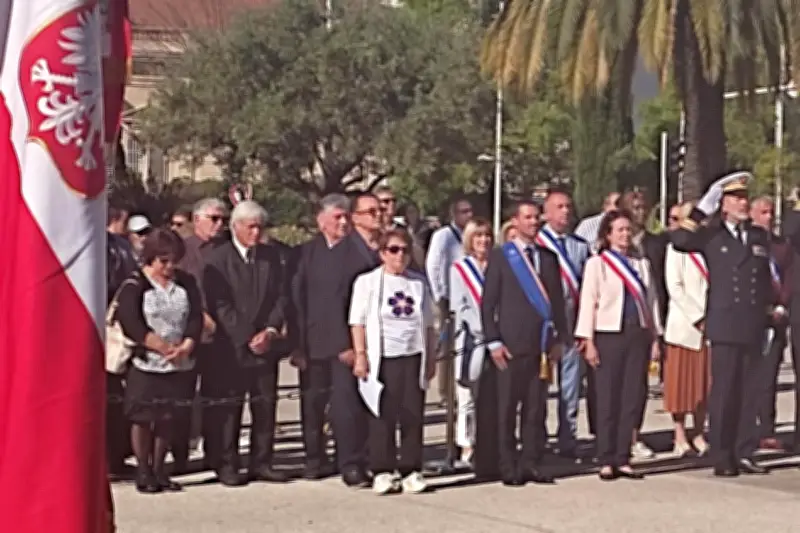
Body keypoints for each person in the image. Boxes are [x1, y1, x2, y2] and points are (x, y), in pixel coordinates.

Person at [672, 172, 773, 477]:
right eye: (735, 198)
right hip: (725, 324)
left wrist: (767, 316)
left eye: (744, 198)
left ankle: (744, 451)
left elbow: (764, 280)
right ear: (723, 204)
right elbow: (680, 240)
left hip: (752, 324)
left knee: (749, 392)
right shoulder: (712, 235)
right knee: (725, 392)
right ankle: (722, 454)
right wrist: (702, 209)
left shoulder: (757, 236)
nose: (743, 203)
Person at [292, 192, 381, 487]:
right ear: (321, 222)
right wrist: (297, 345)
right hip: (312, 342)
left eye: (346, 217)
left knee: (345, 407)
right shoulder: (305, 253)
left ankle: (350, 462)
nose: (343, 223)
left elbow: (356, 306)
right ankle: (314, 458)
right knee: (312, 405)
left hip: (345, 346)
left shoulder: (358, 254)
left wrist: (352, 346)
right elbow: (297, 300)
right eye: (337, 218)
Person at [479, 200, 568, 486]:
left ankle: (531, 462)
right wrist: (492, 341)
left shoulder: (548, 257)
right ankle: (508, 464)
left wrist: (559, 340)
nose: (533, 222)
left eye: (536, 217)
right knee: (506, 409)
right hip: (509, 345)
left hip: (540, 345)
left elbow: (557, 304)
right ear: (515, 222)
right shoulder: (502, 257)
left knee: (535, 409)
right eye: (527, 218)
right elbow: (488, 303)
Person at [203, 201, 288, 486]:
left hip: (266, 345)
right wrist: (245, 336)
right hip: (231, 348)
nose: (256, 232)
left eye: (260, 227)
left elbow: (280, 297)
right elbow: (220, 304)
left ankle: (262, 461)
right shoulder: (218, 259)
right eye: (250, 226)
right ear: (235, 227)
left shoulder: (271, 257)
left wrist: (270, 331)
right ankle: (227, 463)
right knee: (230, 409)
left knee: (264, 405)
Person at [574, 209, 663, 481]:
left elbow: (652, 302)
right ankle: (606, 456)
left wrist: (656, 337)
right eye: (619, 230)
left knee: (632, 397)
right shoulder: (597, 264)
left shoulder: (641, 265)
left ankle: (623, 456)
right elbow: (588, 302)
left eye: (628, 229)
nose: (625, 235)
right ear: (608, 235)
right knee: (606, 397)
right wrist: (587, 340)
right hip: (607, 334)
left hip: (637, 335)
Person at [114, 228, 203, 493]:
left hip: (179, 361)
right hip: (147, 361)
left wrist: (186, 345)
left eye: (174, 259)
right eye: (163, 260)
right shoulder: (135, 283)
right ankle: (143, 469)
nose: (169, 266)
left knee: (168, 416)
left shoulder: (185, 282)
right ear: (150, 258)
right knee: (143, 417)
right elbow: (130, 322)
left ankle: (159, 468)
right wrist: (161, 347)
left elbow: (196, 316)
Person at [350, 228, 437, 495]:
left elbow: (429, 324)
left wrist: (431, 357)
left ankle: (411, 468)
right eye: (393, 250)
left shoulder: (418, 283)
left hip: (412, 356)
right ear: (382, 254)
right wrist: (361, 355)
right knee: (382, 415)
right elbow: (358, 321)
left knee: (412, 414)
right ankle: (383, 470)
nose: (400, 256)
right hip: (383, 358)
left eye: (404, 250)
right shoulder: (367, 282)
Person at [173, 197, 228, 473]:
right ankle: (181, 456)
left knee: (216, 398)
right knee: (183, 397)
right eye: (213, 219)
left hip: (222, 336)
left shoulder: (228, 250)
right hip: (190, 334)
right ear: (197, 220)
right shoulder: (182, 250)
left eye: (223, 219)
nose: (219, 225)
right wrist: (199, 316)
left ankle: (216, 454)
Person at [536, 189, 590, 458]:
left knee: (571, 387)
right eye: (558, 207)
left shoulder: (580, 246)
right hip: (543, 326)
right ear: (546, 212)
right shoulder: (537, 244)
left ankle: (567, 438)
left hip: (572, 324)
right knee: (540, 386)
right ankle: (539, 437)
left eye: (568, 206)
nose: (565, 211)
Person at [619, 190, 669, 459]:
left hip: (645, 320)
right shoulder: (609, 246)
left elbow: (660, 286)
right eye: (634, 207)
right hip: (615, 324)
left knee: (638, 387)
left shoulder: (656, 244)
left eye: (643, 208)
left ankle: (635, 435)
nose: (640, 212)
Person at [663, 201, 710, 457]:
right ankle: (679, 434)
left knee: (704, 383)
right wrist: (698, 315)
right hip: (685, 324)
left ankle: (699, 432)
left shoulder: (706, 247)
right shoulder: (675, 249)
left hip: (710, 325)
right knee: (681, 383)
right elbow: (675, 287)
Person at [449, 218, 493, 466]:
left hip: (494, 339)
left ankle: (486, 443)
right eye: (478, 236)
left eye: (486, 235)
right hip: (469, 339)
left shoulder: (498, 264)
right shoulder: (460, 269)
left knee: (489, 396)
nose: (483, 241)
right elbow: (459, 306)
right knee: (466, 395)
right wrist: (480, 327)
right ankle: (466, 444)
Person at [749, 196, 791, 451]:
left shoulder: (780, 246)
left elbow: (788, 277)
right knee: (748, 376)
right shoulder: (748, 243)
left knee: (769, 376)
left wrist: (781, 304)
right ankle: (745, 427)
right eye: (763, 212)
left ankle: (767, 428)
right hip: (752, 317)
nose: (768, 217)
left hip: (777, 318)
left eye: (771, 212)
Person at [426, 197, 474, 398]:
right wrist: (438, 294)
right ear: (454, 215)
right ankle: (446, 390)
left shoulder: (471, 236)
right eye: (463, 211)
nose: (468, 215)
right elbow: (433, 264)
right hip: (447, 296)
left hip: (468, 296)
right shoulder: (443, 236)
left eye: (470, 211)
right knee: (448, 344)